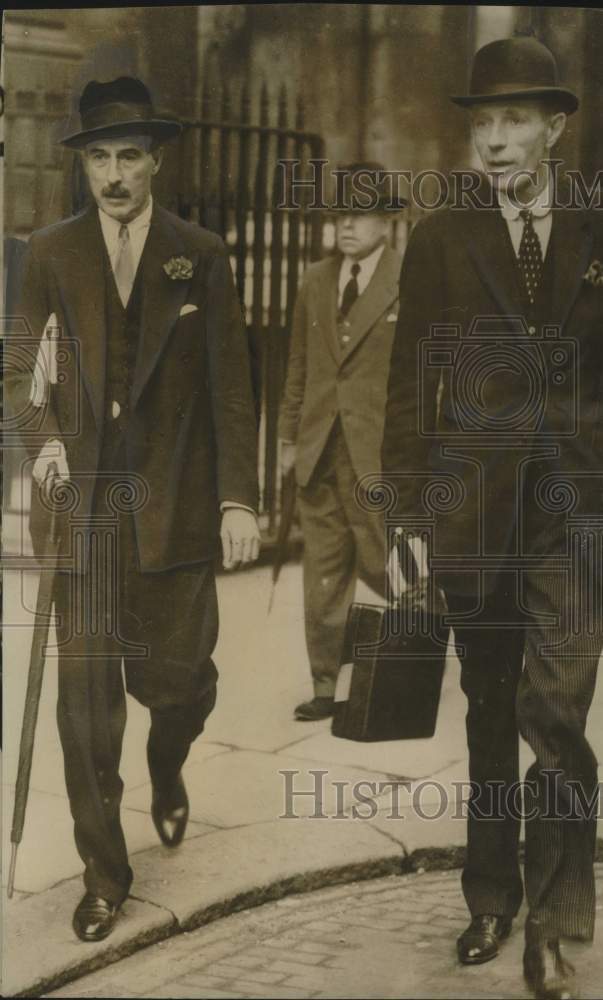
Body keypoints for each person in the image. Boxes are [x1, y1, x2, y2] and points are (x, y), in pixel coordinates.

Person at [382, 37, 603, 1000]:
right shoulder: (443, 233)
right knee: (491, 707)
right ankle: (488, 893)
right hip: (475, 507)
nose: (493, 142)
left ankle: (554, 921)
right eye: (481, 122)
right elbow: (413, 378)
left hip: (574, 511)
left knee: (555, 709)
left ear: (556, 128)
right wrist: (406, 504)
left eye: (515, 120)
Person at [6, 77, 261, 942]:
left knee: (178, 682)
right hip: (82, 514)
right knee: (84, 705)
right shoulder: (49, 250)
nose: (113, 175)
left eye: (129, 157)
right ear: (84, 165)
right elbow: (13, 367)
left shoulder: (203, 254)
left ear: (156, 161)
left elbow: (234, 387)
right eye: (99, 159)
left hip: (178, 510)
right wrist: (41, 445)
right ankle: (104, 874)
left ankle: (170, 755)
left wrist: (237, 499)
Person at [279, 163, 403, 721]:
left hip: (376, 453)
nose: (347, 225)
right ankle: (326, 683)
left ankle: (408, 665)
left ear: (389, 220)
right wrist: (287, 437)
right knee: (324, 571)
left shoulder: (410, 278)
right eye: (339, 215)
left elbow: (423, 378)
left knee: (389, 565)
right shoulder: (315, 280)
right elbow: (299, 368)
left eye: (361, 213)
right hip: (320, 448)